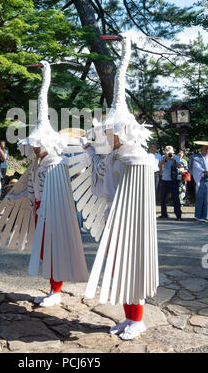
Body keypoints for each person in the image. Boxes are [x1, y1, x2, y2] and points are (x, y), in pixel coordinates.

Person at [0, 61, 88, 307]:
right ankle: (53, 289)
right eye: (34, 144)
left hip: (54, 214)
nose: (36, 148)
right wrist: (14, 199)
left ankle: (56, 291)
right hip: (41, 210)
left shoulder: (56, 163)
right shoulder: (38, 163)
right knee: (44, 251)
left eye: (39, 144)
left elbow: (66, 185)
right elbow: (30, 189)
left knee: (54, 250)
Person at [83, 31, 159, 341]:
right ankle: (128, 319)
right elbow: (101, 176)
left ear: (123, 131)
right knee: (118, 270)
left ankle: (138, 320)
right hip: (115, 218)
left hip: (132, 224)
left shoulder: (136, 157)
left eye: (111, 132)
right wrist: (88, 151)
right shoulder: (115, 156)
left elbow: (138, 191)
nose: (107, 137)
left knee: (133, 269)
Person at [158, 145, 182, 221]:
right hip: (165, 179)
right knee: (163, 198)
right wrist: (165, 158)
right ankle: (164, 214)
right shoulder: (162, 157)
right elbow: (159, 165)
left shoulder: (175, 157)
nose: (169, 154)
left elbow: (179, 166)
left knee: (176, 198)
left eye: (170, 153)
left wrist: (173, 160)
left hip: (174, 180)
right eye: (168, 153)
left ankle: (178, 215)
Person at [190, 141, 208, 222]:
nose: (206, 150)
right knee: (200, 198)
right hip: (201, 179)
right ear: (200, 149)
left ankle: (207, 216)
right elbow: (196, 168)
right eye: (205, 148)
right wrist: (206, 171)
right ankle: (199, 216)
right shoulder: (196, 157)